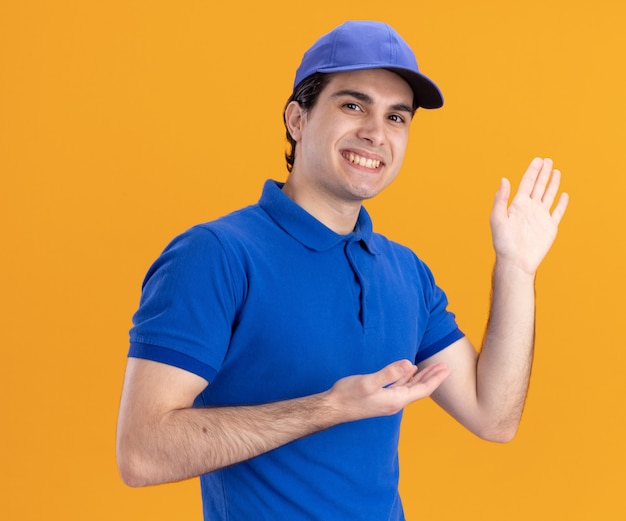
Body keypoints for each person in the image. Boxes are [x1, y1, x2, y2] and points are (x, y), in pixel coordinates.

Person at [116, 20, 569, 520]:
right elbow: (141, 451)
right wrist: (329, 408)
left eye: (397, 117)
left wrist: (516, 269)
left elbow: (493, 415)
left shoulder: (405, 271)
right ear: (297, 119)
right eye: (353, 105)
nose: (376, 133)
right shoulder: (216, 254)